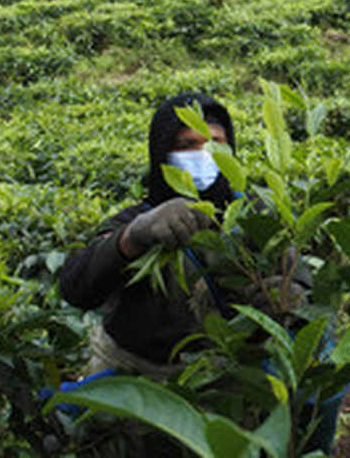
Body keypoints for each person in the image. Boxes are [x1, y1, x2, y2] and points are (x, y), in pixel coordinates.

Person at [59, 92, 239, 377]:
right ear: (163, 151)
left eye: (215, 143)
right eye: (187, 145)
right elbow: (76, 287)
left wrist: (288, 293)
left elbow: (295, 281)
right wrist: (131, 239)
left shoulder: (250, 217)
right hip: (136, 376)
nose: (204, 155)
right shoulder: (134, 220)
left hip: (223, 376)